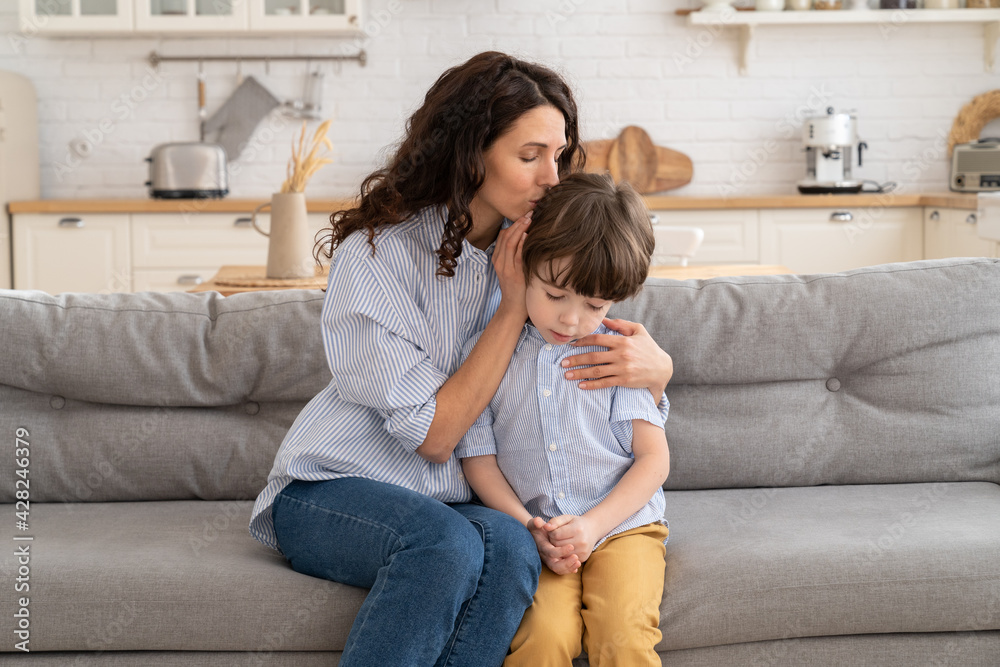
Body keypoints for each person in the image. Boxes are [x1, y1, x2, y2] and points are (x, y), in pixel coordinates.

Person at [248, 51, 673, 667]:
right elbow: (437, 434)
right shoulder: (379, 255)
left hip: (458, 500)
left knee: (513, 549)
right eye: (529, 156)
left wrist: (658, 374)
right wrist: (507, 309)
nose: (551, 178)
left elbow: (595, 330)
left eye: (558, 155)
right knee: (445, 545)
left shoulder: (540, 257)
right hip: (332, 488)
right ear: (472, 154)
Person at [456, 172, 671, 667]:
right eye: (555, 295)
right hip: (537, 534)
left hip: (623, 528)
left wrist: (593, 526)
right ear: (522, 264)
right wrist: (526, 526)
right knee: (543, 639)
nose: (572, 320)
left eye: (594, 305)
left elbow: (653, 458)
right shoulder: (489, 355)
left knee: (623, 638)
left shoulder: (618, 353)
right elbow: (478, 462)